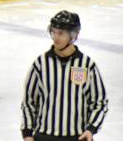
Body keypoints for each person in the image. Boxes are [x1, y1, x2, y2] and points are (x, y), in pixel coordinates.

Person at [20, 10, 108, 141]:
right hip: (44, 137)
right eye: (53, 32)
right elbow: (29, 102)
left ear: (73, 36)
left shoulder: (87, 65)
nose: (55, 37)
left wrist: (91, 129)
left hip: (76, 137)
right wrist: (27, 134)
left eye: (60, 33)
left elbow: (99, 102)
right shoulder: (40, 64)